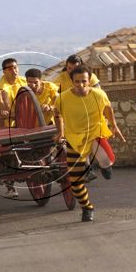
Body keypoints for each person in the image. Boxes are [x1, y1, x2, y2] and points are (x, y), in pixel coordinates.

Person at [54, 66, 125, 222]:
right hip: (74, 139)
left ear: (89, 81)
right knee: (75, 182)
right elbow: (57, 114)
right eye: (77, 81)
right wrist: (60, 131)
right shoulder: (62, 98)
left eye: (84, 81)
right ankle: (87, 207)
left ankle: (105, 167)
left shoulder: (99, 95)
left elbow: (107, 109)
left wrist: (114, 125)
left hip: (95, 134)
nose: (80, 85)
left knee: (106, 159)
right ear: (71, 81)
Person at [0, 58, 27, 198]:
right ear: (4, 71)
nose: (14, 70)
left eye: (15, 67)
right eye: (10, 68)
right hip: (8, 127)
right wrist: (6, 110)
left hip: (25, 124)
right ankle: (11, 186)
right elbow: (4, 102)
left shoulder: (24, 81)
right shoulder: (1, 86)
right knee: (8, 155)